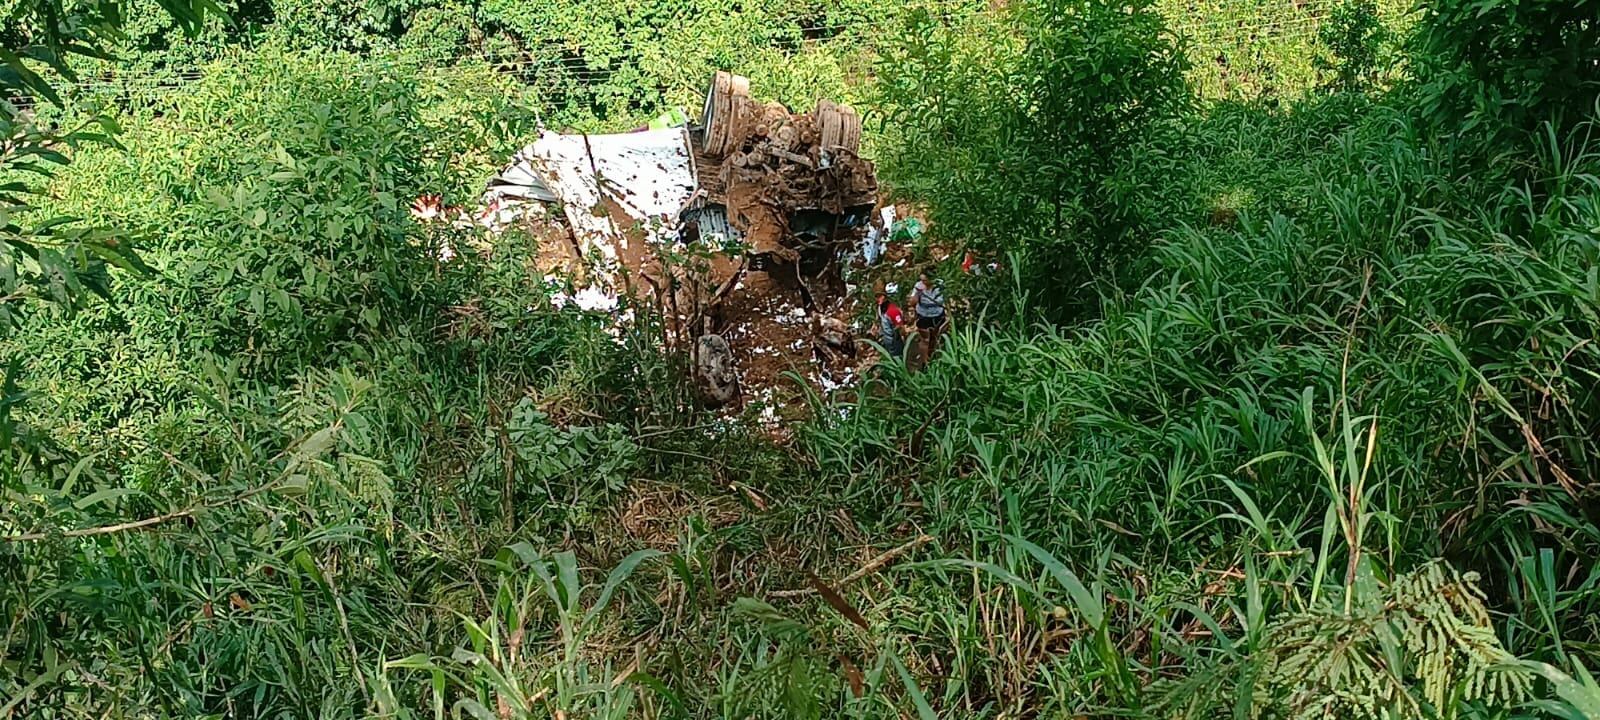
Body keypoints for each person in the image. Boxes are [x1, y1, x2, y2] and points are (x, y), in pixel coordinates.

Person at [910, 270, 948, 359]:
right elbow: (912, 302)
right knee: (925, 339)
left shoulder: (940, 285)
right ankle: (925, 359)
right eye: (921, 280)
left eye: (925, 280)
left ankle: (936, 355)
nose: (923, 283)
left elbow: (944, 299)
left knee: (937, 336)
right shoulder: (918, 286)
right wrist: (918, 294)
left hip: (937, 314)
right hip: (923, 315)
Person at [875, 282, 906, 358]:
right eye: (877, 297)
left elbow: (900, 326)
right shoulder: (880, 308)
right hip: (886, 339)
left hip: (895, 340)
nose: (878, 299)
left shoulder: (893, 311)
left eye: (880, 296)